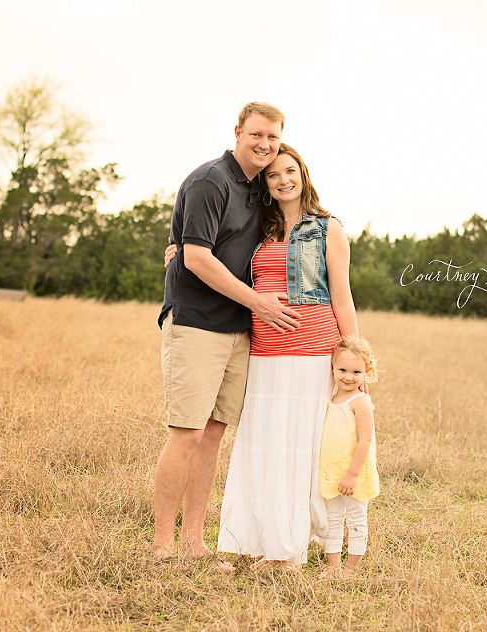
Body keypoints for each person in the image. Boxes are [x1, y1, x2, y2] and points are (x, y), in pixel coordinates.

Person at [166, 143, 359, 569]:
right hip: (265, 351)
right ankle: (261, 542)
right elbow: (219, 248)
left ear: (303, 174)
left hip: (314, 350)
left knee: (304, 448)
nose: (283, 180)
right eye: (273, 175)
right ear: (265, 185)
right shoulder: (260, 227)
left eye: (290, 171)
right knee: (265, 447)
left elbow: (342, 296)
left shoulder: (329, 228)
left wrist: (354, 357)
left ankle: (290, 550)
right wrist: (180, 250)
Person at [154, 102, 302, 565]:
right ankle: (162, 549)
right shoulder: (210, 181)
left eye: (273, 138)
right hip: (198, 323)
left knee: (214, 434)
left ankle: (194, 543)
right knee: (187, 434)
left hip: (240, 331)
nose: (265, 145)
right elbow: (196, 257)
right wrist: (257, 301)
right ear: (238, 132)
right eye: (257, 135)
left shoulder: (260, 189)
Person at [318, 336, 379, 579]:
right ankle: (333, 567)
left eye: (356, 371)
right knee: (332, 519)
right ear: (332, 368)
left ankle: (351, 569)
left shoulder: (360, 402)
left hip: (354, 472)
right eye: (342, 370)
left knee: (356, 519)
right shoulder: (329, 398)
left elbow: (365, 440)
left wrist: (352, 474)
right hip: (332, 471)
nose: (348, 377)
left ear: (367, 372)